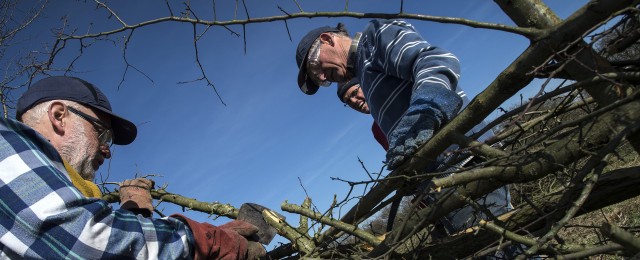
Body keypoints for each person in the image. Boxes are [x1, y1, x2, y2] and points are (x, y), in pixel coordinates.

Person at [1, 76, 265, 259]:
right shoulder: (5, 141)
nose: (107, 149)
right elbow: (86, 240)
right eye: (102, 134)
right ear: (59, 116)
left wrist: (137, 217)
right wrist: (210, 241)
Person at [296, 20, 513, 235]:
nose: (323, 77)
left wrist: (425, 111)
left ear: (327, 39)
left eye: (316, 68)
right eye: (319, 80)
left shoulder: (373, 40)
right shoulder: (365, 74)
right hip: (441, 180)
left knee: (498, 244)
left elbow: (436, 61)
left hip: (462, 163)